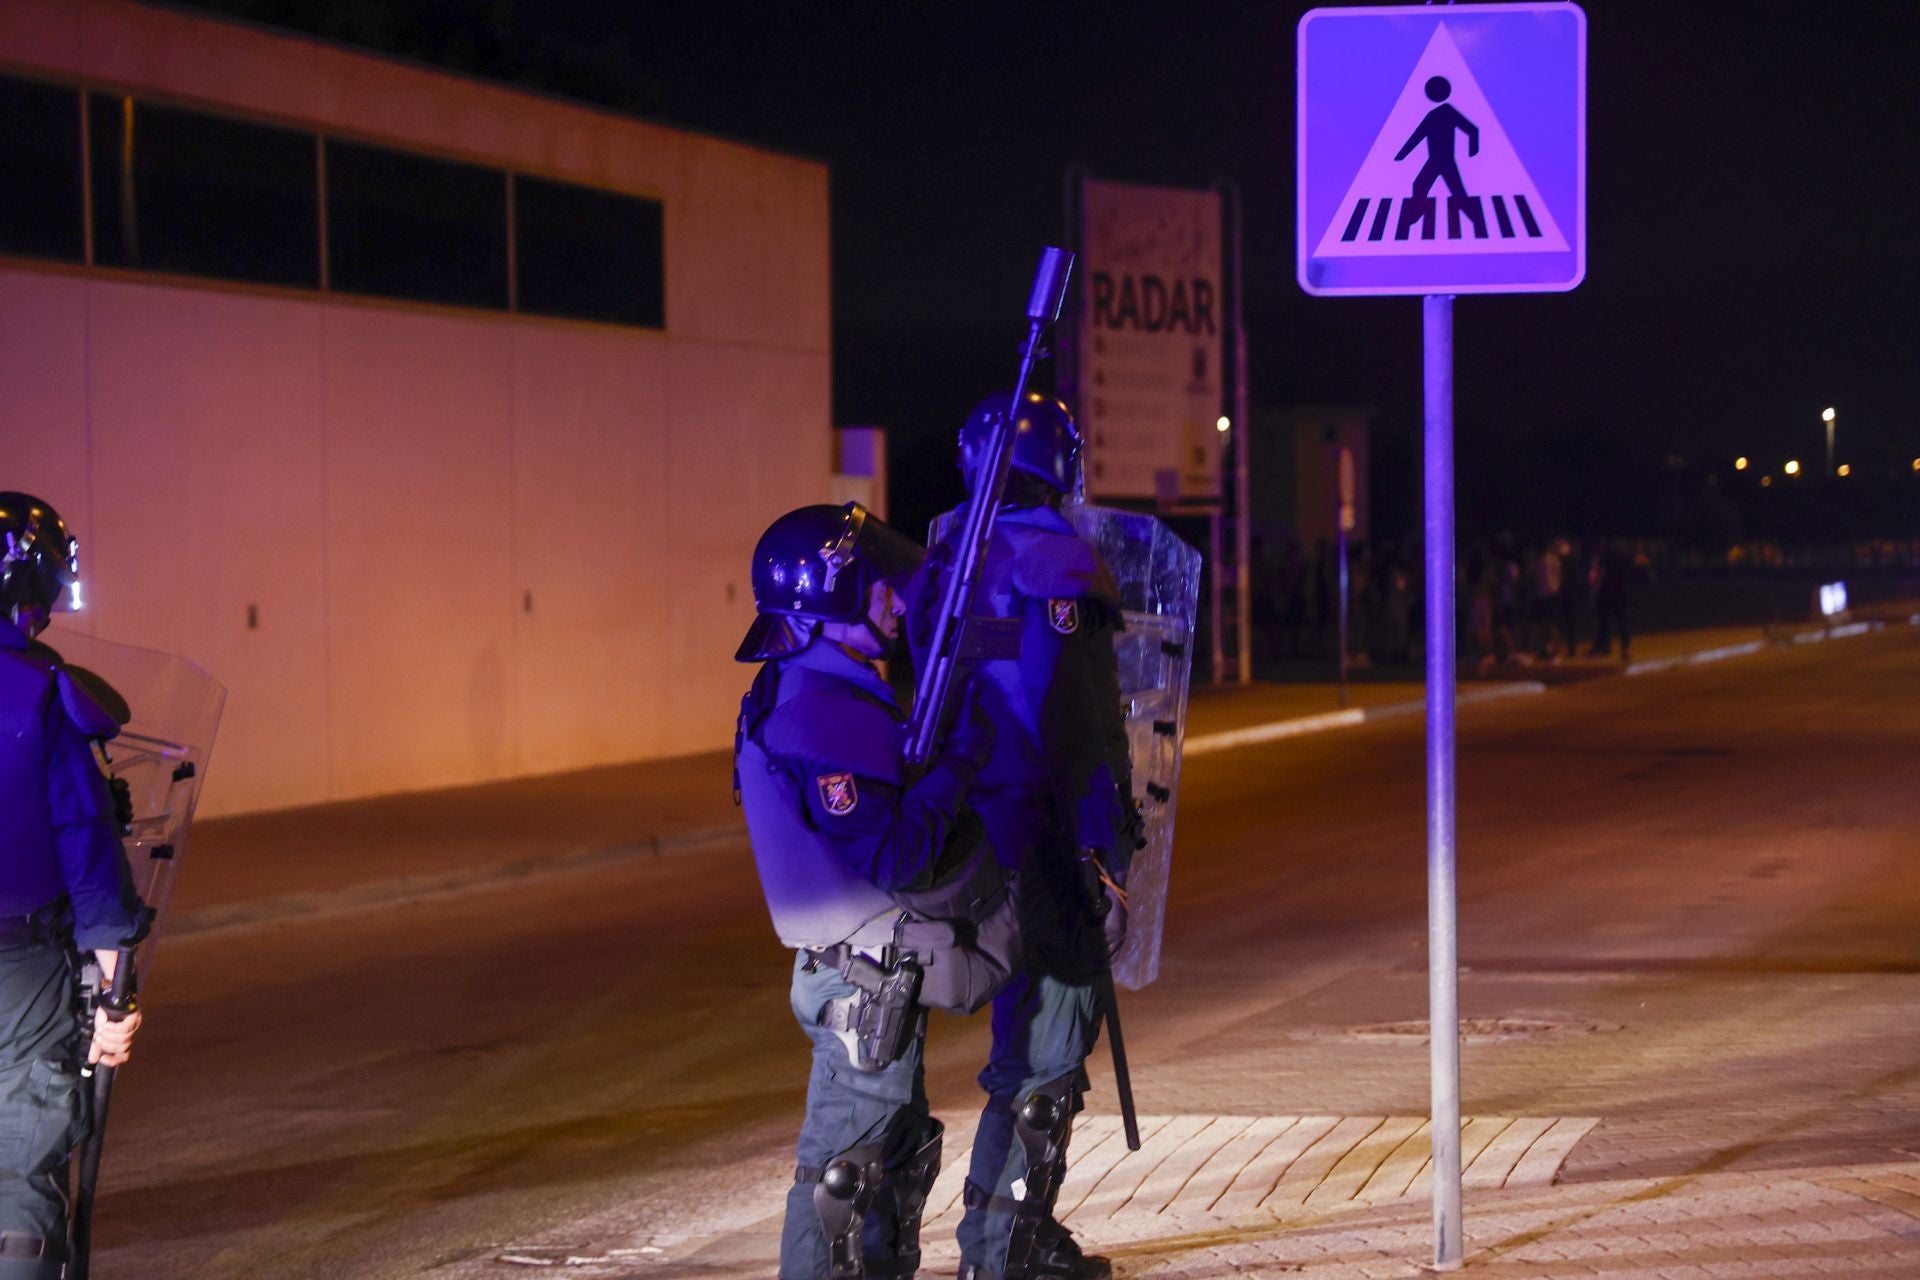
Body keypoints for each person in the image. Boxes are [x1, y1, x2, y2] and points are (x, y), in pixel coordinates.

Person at [735, 501, 1018, 1280]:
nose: (894, 600)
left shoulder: (808, 687)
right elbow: (899, 855)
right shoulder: (820, 713)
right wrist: (959, 763)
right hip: (862, 982)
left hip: (863, 970)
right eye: (875, 585)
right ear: (831, 598)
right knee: (846, 1177)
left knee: (889, 1157)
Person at [915, 393, 1135, 1280]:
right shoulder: (1053, 561)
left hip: (966, 831)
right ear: (1062, 462)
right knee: (1049, 1043)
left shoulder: (954, 562)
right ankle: (1007, 1244)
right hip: (1043, 838)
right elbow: (1076, 726)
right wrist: (1104, 852)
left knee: (1021, 1042)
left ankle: (1000, 1237)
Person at [0, 492, 147, 1279]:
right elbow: (88, 858)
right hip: (17, 969)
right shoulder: (45, 696)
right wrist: (112, 999)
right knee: (19, 1170)